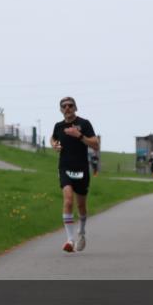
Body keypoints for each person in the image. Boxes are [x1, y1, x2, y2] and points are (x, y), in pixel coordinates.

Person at [51, 96, 99, 253]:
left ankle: (82, 232)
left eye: (70, 105)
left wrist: (78, 135)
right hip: (65, 167)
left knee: (81, 205)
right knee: (68, 199)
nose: (67, 108)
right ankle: (70, 240)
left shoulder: (84, 124)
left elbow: (95, 145)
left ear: (75, 108)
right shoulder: (58, 126)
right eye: (64, 106)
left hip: (82, 169)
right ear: (60, 110)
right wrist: (54, 144)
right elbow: (54, 138)